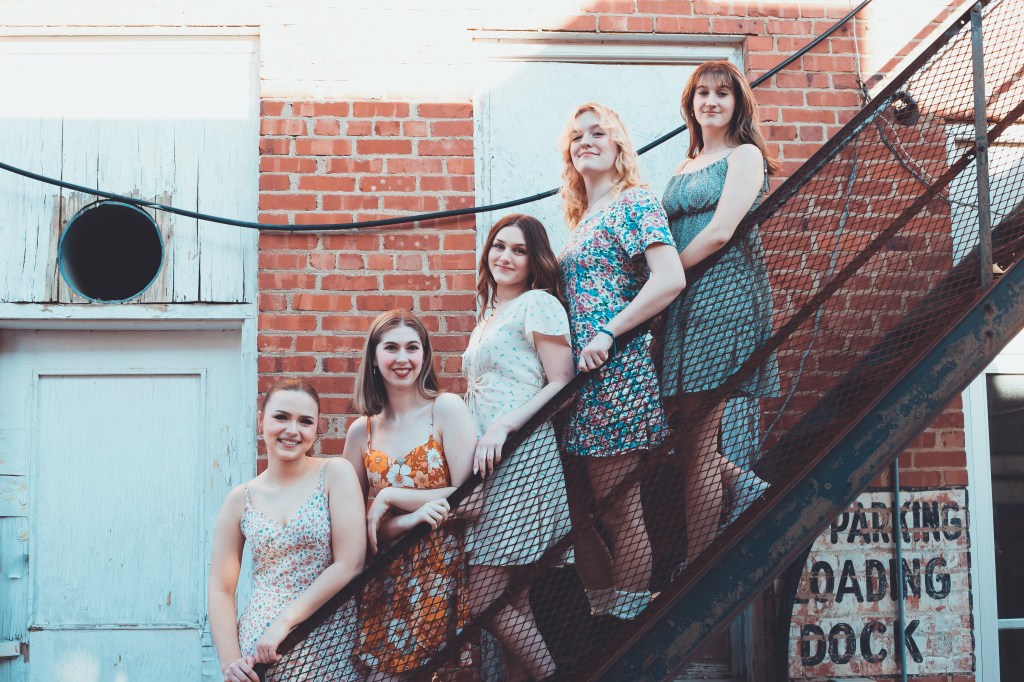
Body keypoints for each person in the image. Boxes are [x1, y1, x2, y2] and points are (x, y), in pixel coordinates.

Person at [557, 102, 686, 620]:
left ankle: (626, 631)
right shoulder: (583, 218)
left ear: (619, 146)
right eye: (576, 135)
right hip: (579, 385)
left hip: (616, 375)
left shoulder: (635, 202)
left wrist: (609, 332)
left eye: (598, 132)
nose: (586, 140)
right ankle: (605, 616)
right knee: (577, 516)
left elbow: (670, 278)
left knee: (619, 511)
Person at [659, 60, 782, 564]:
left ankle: (698, 562)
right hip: (682, 305)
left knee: (697, 435)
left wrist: (664, 280)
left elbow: (720, 231)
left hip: (722, 297)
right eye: (701, 93)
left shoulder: (745, 156)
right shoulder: (682, 165)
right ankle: (746, 486)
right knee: (687, 439)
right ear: (690, 104)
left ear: (737, 103)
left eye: (722, 93)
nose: (711, 101)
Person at [462, 213, 576, 680]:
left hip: (522, 459)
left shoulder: (538, 304)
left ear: (534, 261)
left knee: (483, 600)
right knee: (516, 603)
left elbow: (564, 381)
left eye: (519, 250)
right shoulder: (489, 316)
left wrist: (505, 426)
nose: (505, 257)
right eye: (498, 246)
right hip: (489, 465)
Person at [342, 310, 477, 681]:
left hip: (442, 573)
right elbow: (354, 531)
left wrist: (390, 496)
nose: (402, 359)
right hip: (386, 579)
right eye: (391, 348)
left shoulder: (445, 409)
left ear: (424, 355)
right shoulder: (361, 432)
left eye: (412, 348)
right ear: (374, 356)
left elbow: (472, 500)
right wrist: (408, 518)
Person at [209, 378, 366, 682]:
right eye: (281, 417)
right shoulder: (240, 498)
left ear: (316, 427)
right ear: (261, 420)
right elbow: (221, 589)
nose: (292, 430)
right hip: (258, 649)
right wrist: (230, 660)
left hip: (324, 635)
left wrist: (285, 622)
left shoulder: (334, 473)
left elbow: (350, 563)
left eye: (305, 421)